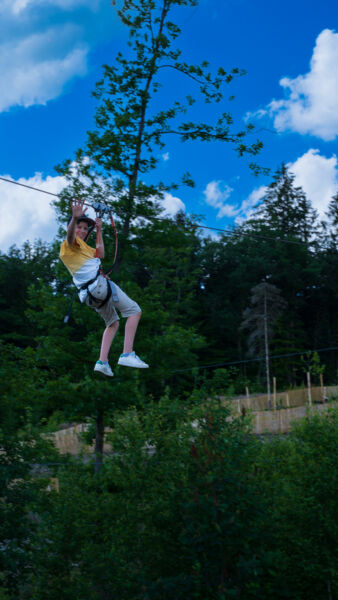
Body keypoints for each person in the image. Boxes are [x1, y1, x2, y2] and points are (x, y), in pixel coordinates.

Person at [59, 198, 149, 376]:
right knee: (134, 311)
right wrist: (74, 218)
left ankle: (102, 362)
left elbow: (100, 253)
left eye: (85, 228)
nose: (83, 231)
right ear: (71, 227)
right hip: (98, 287)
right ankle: (127, 353)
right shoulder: (68, 246)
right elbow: (70, 237)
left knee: (113, 323)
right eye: (79, 227)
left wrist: (99, 230)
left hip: (91, 295)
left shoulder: (83, 247)